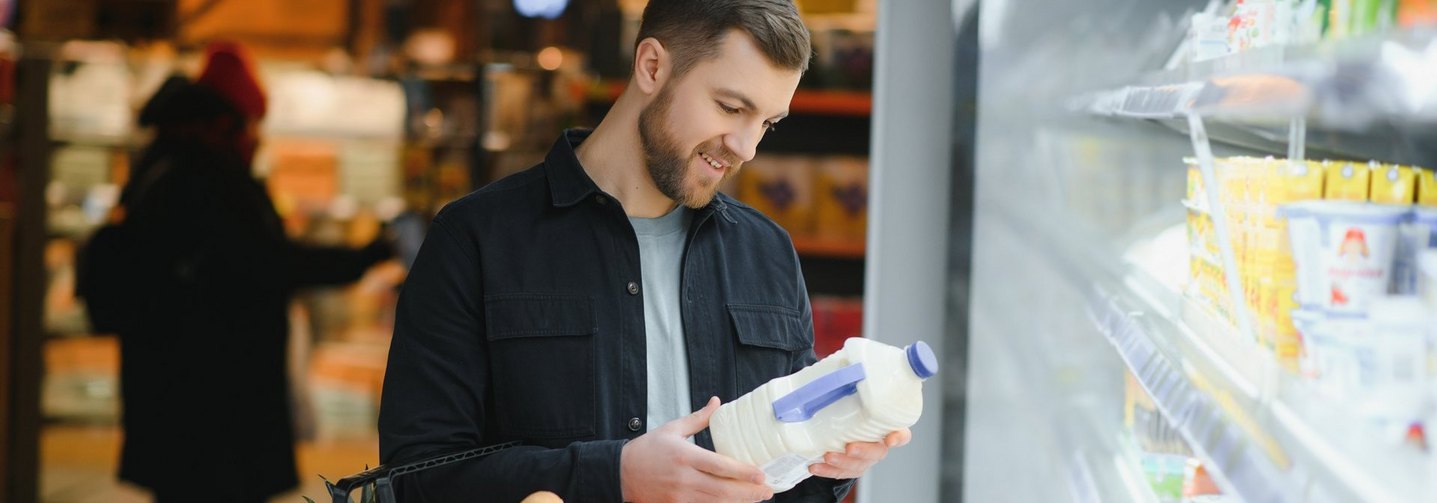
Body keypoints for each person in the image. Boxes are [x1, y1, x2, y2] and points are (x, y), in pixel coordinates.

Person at [377, 1, 911, 501]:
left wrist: (830, 464)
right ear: (652, 66)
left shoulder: (766, 253)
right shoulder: (475, 239)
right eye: (730, 107)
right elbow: (414, 479)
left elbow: (782, 482)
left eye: (767, 123)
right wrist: (616, 475)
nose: (746, 148)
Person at [111, 42, 391, 502]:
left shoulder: (163, 166)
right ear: (222, 123)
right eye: (249, 124)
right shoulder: (208, 179)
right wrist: (360, 258)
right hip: (213, 401)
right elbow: (269, 262)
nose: (255, 138)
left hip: (178, 394)